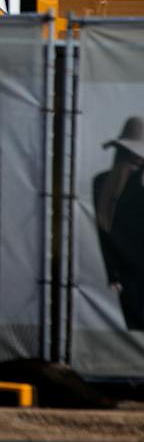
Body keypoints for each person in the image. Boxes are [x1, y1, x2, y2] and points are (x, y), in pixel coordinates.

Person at [93, 117, 144, 329]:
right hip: (129, 274)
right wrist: (112, 272)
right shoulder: (105, 182)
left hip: (126, 273)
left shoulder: (104, 181)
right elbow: (104, 229)